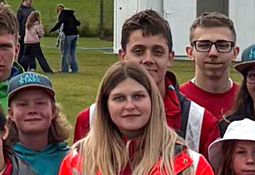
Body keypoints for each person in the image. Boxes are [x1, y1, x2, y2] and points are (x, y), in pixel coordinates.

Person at [49, 63, 216, 175]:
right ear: (105, 106)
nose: (130, 106)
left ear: (153, 101)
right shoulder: (77, 162)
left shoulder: (191, 166)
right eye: (119, 98)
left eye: (138, 96)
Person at [75, 11, 217, 156]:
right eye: (138, 51)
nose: (148, 59)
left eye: (157, 52)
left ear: (170, 57)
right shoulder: (90, 119)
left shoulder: (200, 122)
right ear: (122, 56)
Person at [3, 71, 70, 175]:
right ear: (11, 114)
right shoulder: (3, 160)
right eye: (23, 104)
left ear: (53, 111)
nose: (32, 110)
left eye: (40, 103)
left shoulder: (70, 159)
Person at [181, 13, 240, 119]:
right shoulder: (177, 100)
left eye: (222, 45)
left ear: (234, 53)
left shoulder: (247, 100)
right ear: (190, 52)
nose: (213, 53)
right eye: (204, 45)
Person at [18, 0, 48, 73]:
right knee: (23, 52)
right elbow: (18, 22)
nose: (31, 3)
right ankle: (22, 66)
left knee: (31, 53)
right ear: (25, 0)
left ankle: (32, 66)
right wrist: (18, 33)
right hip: (24, 34)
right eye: (30, 1)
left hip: (32, 34)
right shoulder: (20, 10)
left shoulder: (32, 9)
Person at [55, 3, 83, 74]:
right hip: (75, 34)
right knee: (72, 53)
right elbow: (78, 23)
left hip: (68, 35)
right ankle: (74, 69)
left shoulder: (63, 16)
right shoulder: (71, 15)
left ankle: (64, 69)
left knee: (65, 53)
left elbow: (59, 26)